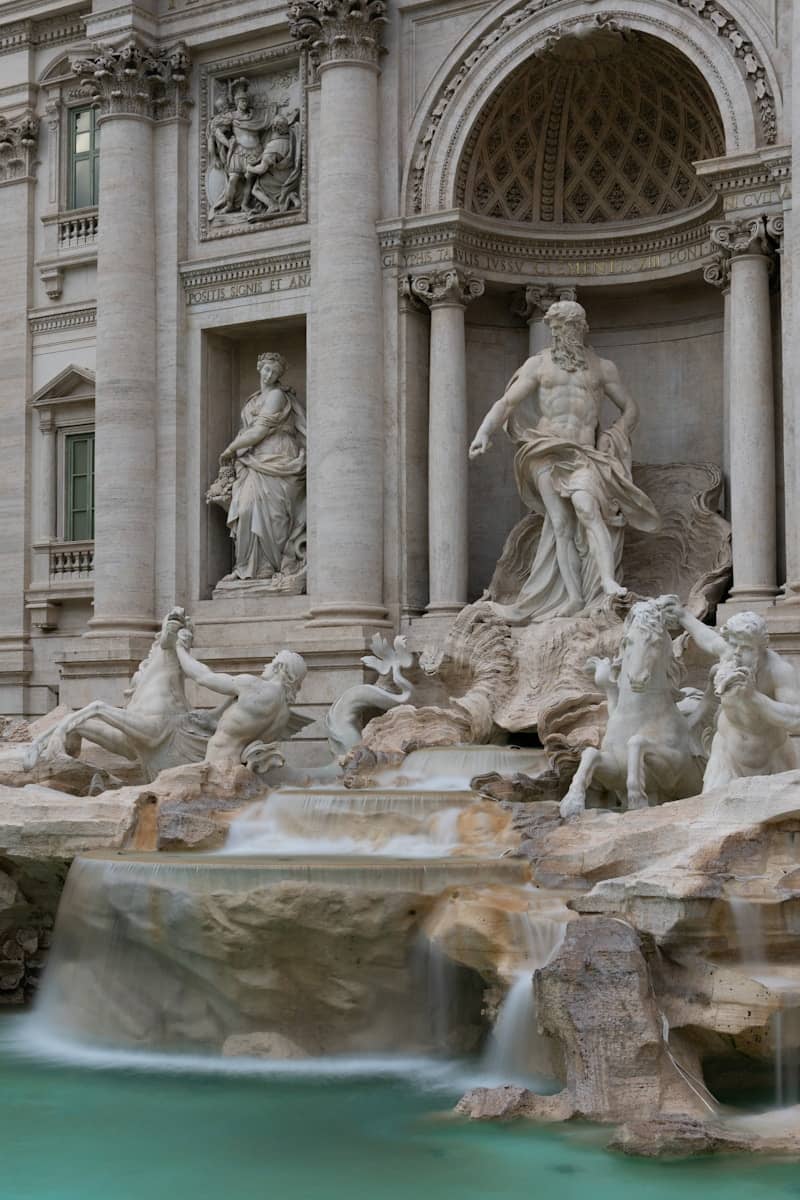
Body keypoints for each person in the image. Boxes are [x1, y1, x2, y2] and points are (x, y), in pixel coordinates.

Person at [468, 300, 660, 622]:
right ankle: (572, 597)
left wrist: (614, 435)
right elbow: (506, 403)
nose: (560, 334)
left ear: (580, 328)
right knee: (560, 523)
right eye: (555, 329)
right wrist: (483, 432)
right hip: (544, 448)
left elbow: (631, 408)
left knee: (587, 508)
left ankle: (607, 582)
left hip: (583, 453)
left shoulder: (602, 367)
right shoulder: (539, 366)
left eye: (566, 328)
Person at [663, 601, 800, 790]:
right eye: (733, 645)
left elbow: (795, 718)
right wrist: (683, 615)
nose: (736, 653)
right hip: (726, 756)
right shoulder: (730, 654)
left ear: (760, 648)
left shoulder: (778, 671)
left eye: (745, 648)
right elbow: (708, 639)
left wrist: (754, 697)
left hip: (773, 759)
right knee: (710, 813)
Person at [213, 351, 307, 589]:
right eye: (266, 369)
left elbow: (259, 431)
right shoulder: (252, 400)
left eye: (274, 372)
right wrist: (239, 452)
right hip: (253, 459)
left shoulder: (277, 396)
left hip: (277, 455)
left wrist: (231, 449)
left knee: (274, 514)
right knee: (245, 508)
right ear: (258, 368)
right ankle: (246, 567)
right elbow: (248, 431)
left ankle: (268, 566)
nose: (268, 375)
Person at [174, 643, 309, 770]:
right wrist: (211, 724)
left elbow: (203, 677)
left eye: (271, 662)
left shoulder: (254, 686)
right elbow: (243, 733)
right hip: (237, 769)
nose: (266, 665)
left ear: (279, 667)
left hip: (217, 767)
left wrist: (179, 648)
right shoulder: (284, 714)